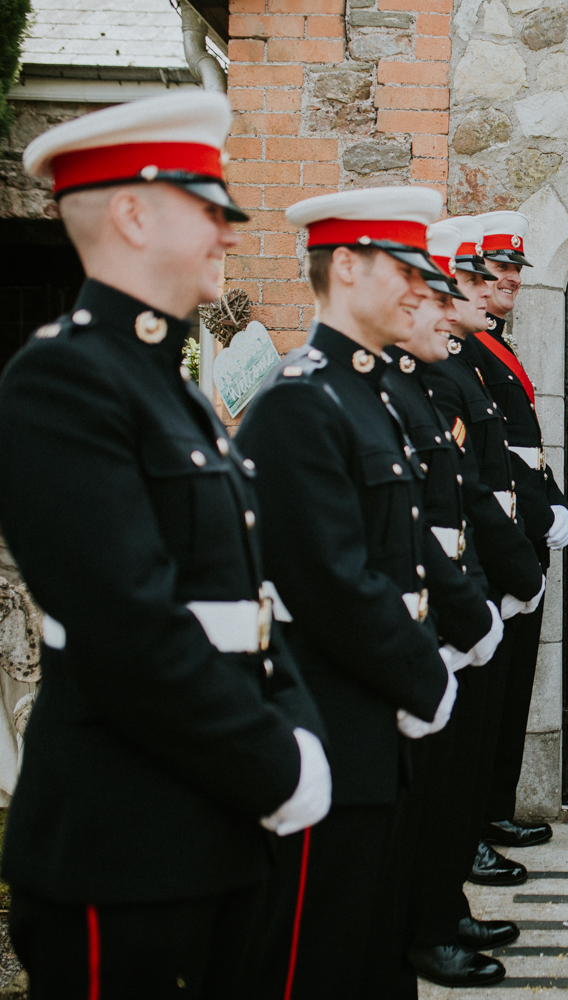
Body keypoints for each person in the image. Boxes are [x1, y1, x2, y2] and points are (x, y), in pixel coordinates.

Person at [0, 90, 329, 999]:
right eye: (210, 210)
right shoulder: (62, 380)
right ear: (134, 214)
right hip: (128, 844)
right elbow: (127, 628)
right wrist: (276, 763)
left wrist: (302, 734)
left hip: (223, 824)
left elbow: (248, 607)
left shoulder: (173, 387)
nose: (229, 234)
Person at [237, 186, 457, 999]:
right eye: (403, 269)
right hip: (329, 720)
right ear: (345, 264)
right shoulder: (302, 398)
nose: (419, 289)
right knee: (314, 957)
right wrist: (424, 675)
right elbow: (330, 580)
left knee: (371, 951)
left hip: (373, 724)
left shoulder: (367, 397)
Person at [377, 231, 517, 990]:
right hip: (412, 629)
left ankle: (439, 909)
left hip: (456, 601)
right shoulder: (368, 389)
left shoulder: (427, 380)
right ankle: (425, 922)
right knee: (422, 797)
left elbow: (461, 494)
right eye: (438, 292)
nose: (451, 304)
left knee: (449, 788)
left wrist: (481, 602)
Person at [420, 215, 545, 889]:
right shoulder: (449, 369)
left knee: (486, 718)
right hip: (470, 563)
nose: (496, 284)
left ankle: (474, 829)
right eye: (473, 277)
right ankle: (461, 850)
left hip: (497, 547)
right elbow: (465, 481)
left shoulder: (477, 356)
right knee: (462, 735)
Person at [468, 210, 568, 854]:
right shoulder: (466, 351)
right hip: (494, 542)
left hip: (522, 536)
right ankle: (474, 822)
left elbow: (527, 450)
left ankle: (494, 809)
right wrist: (537, 515)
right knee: (487, 701)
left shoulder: (497, 345)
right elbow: (490, 459)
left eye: (512, 270)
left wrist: (553, 500)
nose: (507, 280)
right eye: (496, 270)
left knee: (509, 694)